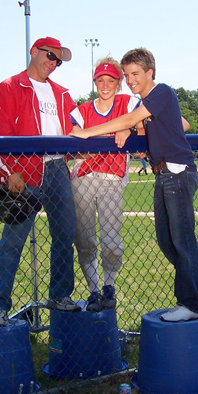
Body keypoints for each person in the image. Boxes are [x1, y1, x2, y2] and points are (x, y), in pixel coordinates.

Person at [70, 47, 198, 322]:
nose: (131, 79)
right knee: (167, 243)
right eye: (127, 74)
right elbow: (164, 123)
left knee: (182, 241)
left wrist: (88, 132)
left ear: (150, 72)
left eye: (135, 74)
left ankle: (191, 303)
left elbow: (134, 117)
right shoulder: (149, 104)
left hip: (177, 171)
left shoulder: (161, 92)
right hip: (163, 173)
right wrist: (133, 129)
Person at [0, 36, 80, 326]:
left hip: (57, 169)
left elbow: (81, 127)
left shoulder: (63, 94)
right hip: (25, 171)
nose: (52, 62)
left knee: (65, 234)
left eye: (57, 59)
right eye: (48, 54)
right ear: (33, 51)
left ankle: (60, 295)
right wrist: (7, 172)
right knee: (13, 242)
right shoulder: (10, 87)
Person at [69, 58, 140, 312]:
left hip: (112, 177)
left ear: (119, 83)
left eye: (111, 80)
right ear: (95, 82)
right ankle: (93, 290)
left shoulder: (127, 103)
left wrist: (130, 130)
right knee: (85, 239)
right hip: (83, 177)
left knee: (111, 241)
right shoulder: (83, 109)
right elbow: (73, 136)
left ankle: (109, 284)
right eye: (101, 80)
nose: (106, 85)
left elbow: (143, 126)